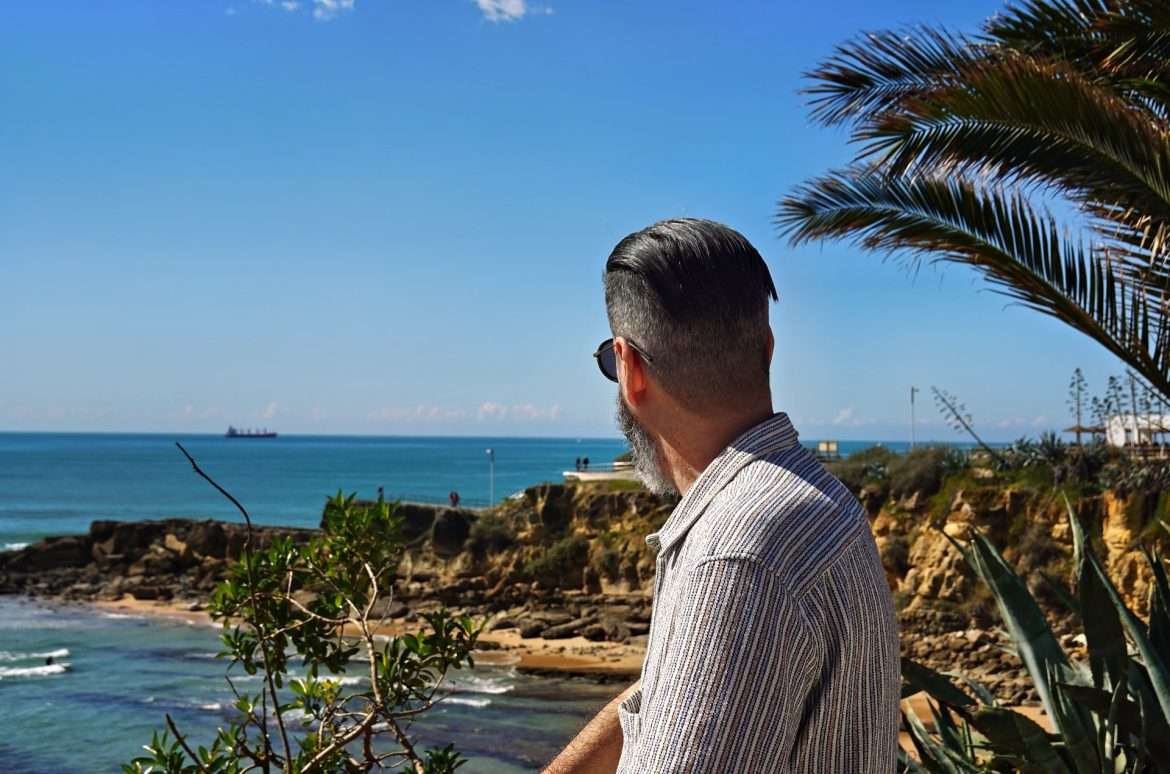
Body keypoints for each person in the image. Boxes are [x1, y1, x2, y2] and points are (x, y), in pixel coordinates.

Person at [544, 219, 899, 773]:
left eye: (611, 364)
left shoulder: (733, 556)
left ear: (630, 368)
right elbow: (674, 697)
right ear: (768, 348)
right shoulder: (814, 498)